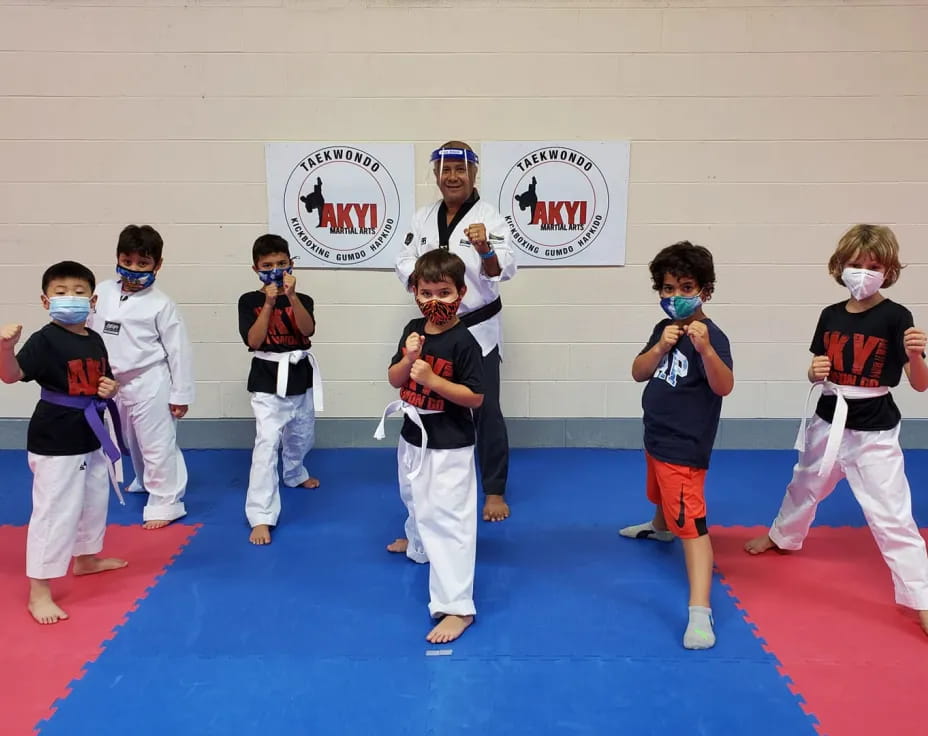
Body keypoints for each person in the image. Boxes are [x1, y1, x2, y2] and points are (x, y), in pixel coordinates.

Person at [745, 224, 928, 636]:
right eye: (854, 264)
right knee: (806, 483)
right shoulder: (829, 315)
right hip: (828, 418)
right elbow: (816, 366)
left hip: (874, 430)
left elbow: (919, 383)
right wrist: (813, 370)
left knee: (892, 514)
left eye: (873, 265)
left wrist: (917, 355)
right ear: (839, 267)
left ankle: (922, 598)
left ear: (889, 270)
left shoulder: (897, 317)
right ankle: (783, 536)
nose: (862, 272)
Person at [619, 241, 734, 649]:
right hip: (657, 434)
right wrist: (660, 346)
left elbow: (724, 386)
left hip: (685, 446)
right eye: (668, 289)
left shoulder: (712, 336)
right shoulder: (662, 330)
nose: (676, 297)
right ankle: (659, 526)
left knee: (693, 525)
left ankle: (700, 611)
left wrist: (703, 350)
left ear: (705, 290)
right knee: (659, 491)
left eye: (686, 288)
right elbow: (638, 372)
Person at [395, 140, 516, 523]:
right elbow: (404, 260)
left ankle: (493, 489)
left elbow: (501, 271)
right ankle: (431, 479)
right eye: (445, 170)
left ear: (474, 173)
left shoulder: (491, 217)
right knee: (429, 397)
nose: (452, 177)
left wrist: (484, 250)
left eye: (460, 169)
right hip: (435, 325)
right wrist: (427, 286)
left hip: (477, 327)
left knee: (486, 407)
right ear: (435, 175)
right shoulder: (422, 217)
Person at [0, 261, 127, 624]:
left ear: (93, 300)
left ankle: (86, 558)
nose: (70, 298)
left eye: (78, 292)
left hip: (91, 430)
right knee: (55, 512)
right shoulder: (44, 340)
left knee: (92, 498)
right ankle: (39, 591)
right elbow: (11, 376)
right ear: (45, 301)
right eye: (60, 292)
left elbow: (105, 379)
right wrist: (5, 348)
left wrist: (110, 387)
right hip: (55, 435)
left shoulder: (95, 337)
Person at [378, 249, 485, 644]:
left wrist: (434, 381)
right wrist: (409, 360)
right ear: (414, 291)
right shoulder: (413, 329)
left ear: (461, 292)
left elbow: (476, 398)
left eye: (444, 292)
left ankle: (458, 607)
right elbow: (393, 379)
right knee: (412, 496)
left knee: (449, 520)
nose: (435, 301)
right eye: (427, 292)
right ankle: (418, 542)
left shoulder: (464, 342)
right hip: (412, 434)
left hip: (450, 444)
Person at [87, 225, 193, 529]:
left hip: (150, 379)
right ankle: (145, 480)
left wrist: (180, 395)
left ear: (158, 265)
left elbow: (179, 351)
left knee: (157, 442)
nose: (133, 270)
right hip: (111, 382)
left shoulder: (161, 304)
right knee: (129, 440)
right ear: (118, 258)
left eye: (143, 264)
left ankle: (166, 501)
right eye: (127, 261)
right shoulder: (102, 291)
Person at [238, 234, 321, 546]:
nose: (275, 269)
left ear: (291, 265)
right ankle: (260, 515)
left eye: (281, 263)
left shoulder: (304, 298)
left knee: (302, 434)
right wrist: (270, 302)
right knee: (267, 442)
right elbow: (254, 341)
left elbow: (308, 330)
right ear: (256, 268)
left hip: (299, 374)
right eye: (267, 265)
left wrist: (291, 297)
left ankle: (294, 472)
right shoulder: (249, 301)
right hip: (266, 380)